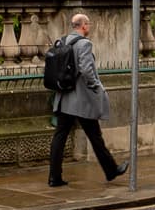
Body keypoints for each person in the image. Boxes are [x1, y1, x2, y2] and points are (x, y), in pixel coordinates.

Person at [49, 13, 127, 187]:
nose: (89, 27)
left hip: (63, 98)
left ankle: (54, 177)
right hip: (81, 100)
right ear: (83, 26)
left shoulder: (61, 41)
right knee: (95, 135)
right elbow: (86, 70)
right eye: (88, 24)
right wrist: (95, 87)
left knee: (59, 137)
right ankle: (111, 170)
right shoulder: (84, 44)